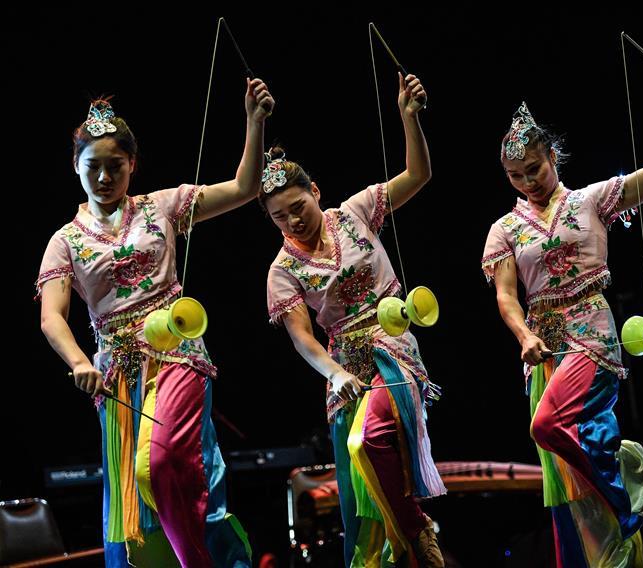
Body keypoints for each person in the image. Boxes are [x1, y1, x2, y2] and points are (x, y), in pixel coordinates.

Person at [37, 78, 274, 567]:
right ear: (75, 168)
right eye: (93, 167)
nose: (104, 177)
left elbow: (244, 187)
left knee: (165, 463)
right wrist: (80, 361)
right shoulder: (65, 241)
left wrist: (254, 120)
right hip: (116, 376)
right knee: (134, 498)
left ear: (133, 166)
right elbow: (51, 317)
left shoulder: (161, 208)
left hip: (176, 354)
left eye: (115, 166)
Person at [481, 67, 643, 566]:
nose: (528, 180)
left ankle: (626, 493)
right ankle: (614, 520)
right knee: (572, 464)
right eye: (516, 175)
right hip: (543, 345)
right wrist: (524, 335)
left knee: (547, 426)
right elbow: (507, 295)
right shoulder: (505, 228)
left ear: (553, 156)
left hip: (590, 333)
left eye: (535, 167)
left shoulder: (591, 200)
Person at [263, 73, 445, 567]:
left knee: (373, 439)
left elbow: (418, 174)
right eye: (280, 217)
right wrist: (336, 373)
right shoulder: (282, 271)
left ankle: (417, 528)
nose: (293, 221)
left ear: (315, 192)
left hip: (392, 345)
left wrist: (409, 119)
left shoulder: (356, 212)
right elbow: (303, 338)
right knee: (357, 494)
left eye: (298, 207)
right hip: (342, 367)